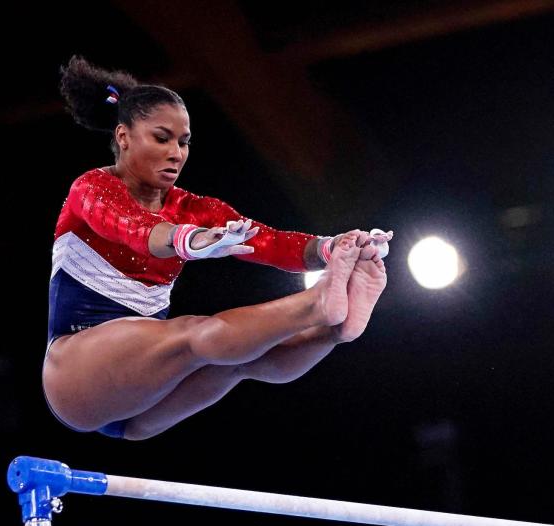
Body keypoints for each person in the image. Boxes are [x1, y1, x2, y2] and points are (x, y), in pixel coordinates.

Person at [43, 56, 391, 441]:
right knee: (195, 334)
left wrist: (332, 247)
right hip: (75, 373)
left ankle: (334, 330)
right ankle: (316, 303)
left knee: (239, 363)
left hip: (142, 406)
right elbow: (134, 229)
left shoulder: (194, 207)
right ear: (123, 137)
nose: (176, 153)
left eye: (183, 142)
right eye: (162, 138)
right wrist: (189, 240)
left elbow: (268, 241)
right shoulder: (92, 188)